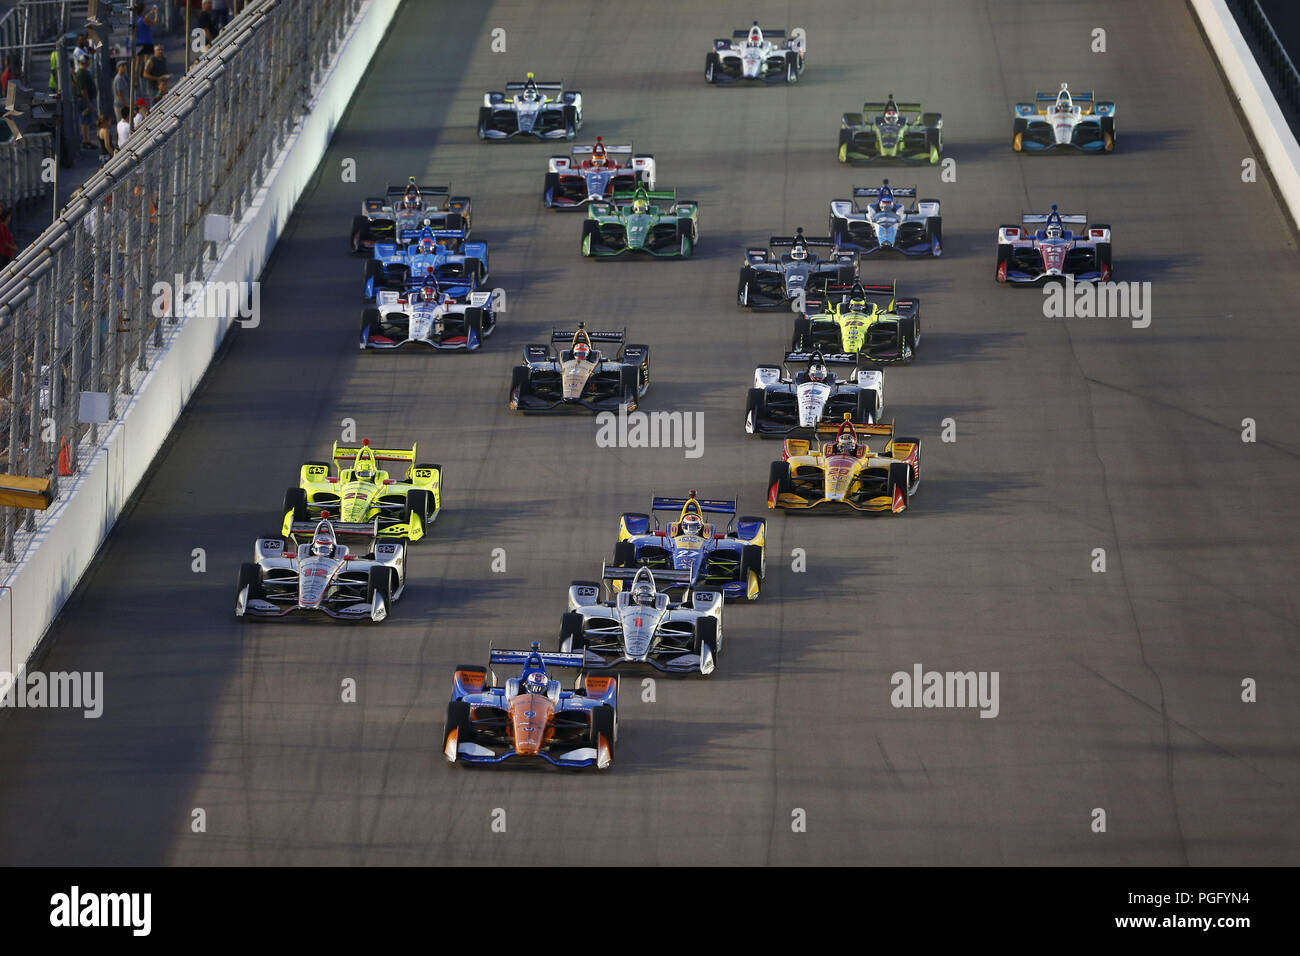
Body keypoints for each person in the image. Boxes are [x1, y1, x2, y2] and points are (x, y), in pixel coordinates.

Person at [74, 57, 98, 149]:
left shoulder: (82, 72)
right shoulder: (82, 73)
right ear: (85, 62)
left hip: (85, 100)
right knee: (85, 121)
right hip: (85, 101)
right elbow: (83, 90)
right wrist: (88, 103)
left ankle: (86, 139)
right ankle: (85, 140)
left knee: (86, 121)